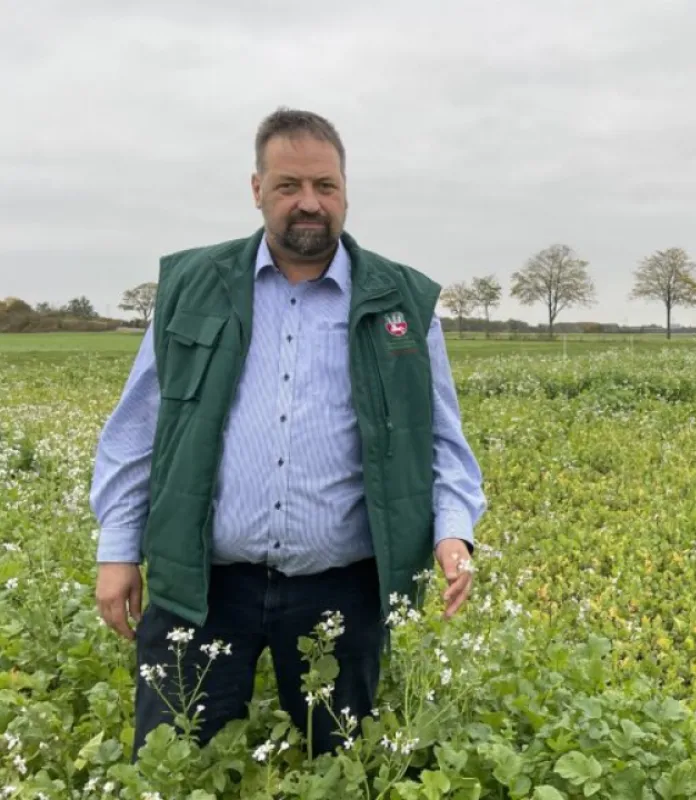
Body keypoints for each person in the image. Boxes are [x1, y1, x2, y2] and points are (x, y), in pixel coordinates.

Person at [89, 107, 487, 757]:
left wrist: (452, 531)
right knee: (175, 762)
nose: (309, 203)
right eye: (289, 186)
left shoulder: (401, 302)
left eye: (325, 187)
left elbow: (440, 438)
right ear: (257, 190)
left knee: (339, 767)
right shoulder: (194, 289)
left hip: (341, 591)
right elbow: (138, 430)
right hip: (202, 583)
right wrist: (118, 549)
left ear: (346, 190)